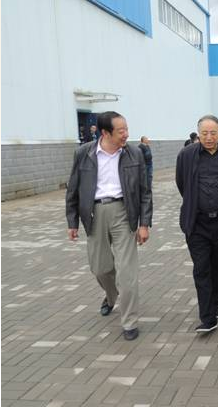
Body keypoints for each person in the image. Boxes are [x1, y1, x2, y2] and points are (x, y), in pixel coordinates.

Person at [65, 111, 152, 341]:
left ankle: (129, 322)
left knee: (127, 273)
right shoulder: (84, 154)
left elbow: (145, 192)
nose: (126, 134)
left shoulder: (134, 153)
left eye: (126, 129)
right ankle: (112, 296)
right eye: (121, 131)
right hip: (95, 214)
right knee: (100, 268)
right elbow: (73, 189)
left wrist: (144, 224)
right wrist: (72, 221)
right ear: (105, 133)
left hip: (124, 212)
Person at [175, 115, 218, 333]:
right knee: (201, 268)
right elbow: (181, 183)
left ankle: (216, 302)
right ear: (198, 133)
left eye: (213, 133)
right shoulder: (186, 155)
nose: (209, 137)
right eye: (204, 133)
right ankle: (208, 317)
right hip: (197, 223)